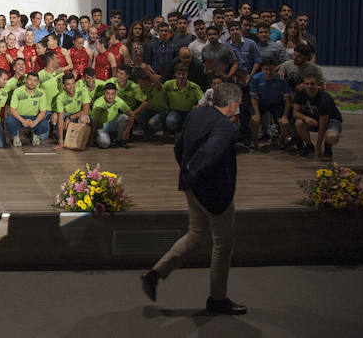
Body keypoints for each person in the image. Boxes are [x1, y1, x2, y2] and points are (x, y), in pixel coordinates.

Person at [141, 83, 247, 316]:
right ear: (232, 104)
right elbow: (209, 152)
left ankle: (156, 273)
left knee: (196, 234)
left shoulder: (196, 114)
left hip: (192, 189)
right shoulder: (225, 127)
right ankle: (217, 298)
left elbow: (179, 146)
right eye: (238, 104)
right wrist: (192, 171)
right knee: (222, 245)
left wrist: (187, 175)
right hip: (215, 193)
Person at [292, 74, 341, 160]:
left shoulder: (324, 98)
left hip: (331, 120)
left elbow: (322, 126)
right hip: (314, 118)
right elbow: (295, 113)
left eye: (312, 84)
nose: (309, 86)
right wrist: (306, 118)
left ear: (317, 85)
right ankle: (309, 146)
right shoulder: (300, 92)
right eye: (306, 84)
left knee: (332, 137)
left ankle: (327, 149)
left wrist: (318, 147)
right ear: (303, 84)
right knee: (299, 123)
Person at [249, 58, 292, 149]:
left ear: (274, 68)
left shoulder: (281, 80)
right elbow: (253, 97)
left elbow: (288, 100)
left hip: (276, 103)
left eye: (271, 69)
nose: (268, 72)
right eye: (266, 69)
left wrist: (284, 116)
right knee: (254, 120)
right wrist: (256, 113)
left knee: (284, 123)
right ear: (262, 69)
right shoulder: (256, 78)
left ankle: (281, 143)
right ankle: (255, 142)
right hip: (261, 102)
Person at [7, 72, 50, 147]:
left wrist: (35, 122)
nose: (32, 83)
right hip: (19, 117)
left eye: (35, 80)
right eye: (30, 80)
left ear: (37, 82)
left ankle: (36, 135)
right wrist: (23, 121)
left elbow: (43, 112)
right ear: (26, 80)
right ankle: (15, 136)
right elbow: (12, 109)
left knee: (45, 125)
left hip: (33, 117)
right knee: (9, 121)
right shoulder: (17, 91)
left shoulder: (41, 93)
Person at [162, 63, 204, 136]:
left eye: (183, 74)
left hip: (189, 112)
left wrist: (196, 108)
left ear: (187, 74)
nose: (181, 76)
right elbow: (161, 96)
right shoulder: (168, 85)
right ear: (175, 74)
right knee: (170, 121)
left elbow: (203, 100)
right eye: (179, 74)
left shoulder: (194, 86)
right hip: (174, 112)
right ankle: (177, 131)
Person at [53, 72, 91, 150]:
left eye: (73, 83)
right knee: (55, 116)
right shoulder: (60, 97)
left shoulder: (83, 90)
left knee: (84, 118)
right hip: (67, 114)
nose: (72, 87)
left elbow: (86, 111)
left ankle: (79, 141)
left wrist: (69, 118)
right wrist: (60, 142)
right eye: (68, 84)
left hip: (78, 115)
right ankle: (59, 136)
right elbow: (60, 118)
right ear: (63, 86)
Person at [91, 84, 132, 148]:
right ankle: (98, 137)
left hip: (112, 124)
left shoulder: (119, 101)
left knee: (125, 117)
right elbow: (94, 122)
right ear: (104, 93)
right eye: (108, 93)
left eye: (112, 94)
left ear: (115, 94)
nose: (110, 96)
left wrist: (127, 130)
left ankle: (120, 140)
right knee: (104, 144)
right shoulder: (98, 103)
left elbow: (131, 114)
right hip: (101, 127)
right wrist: (91, 139)